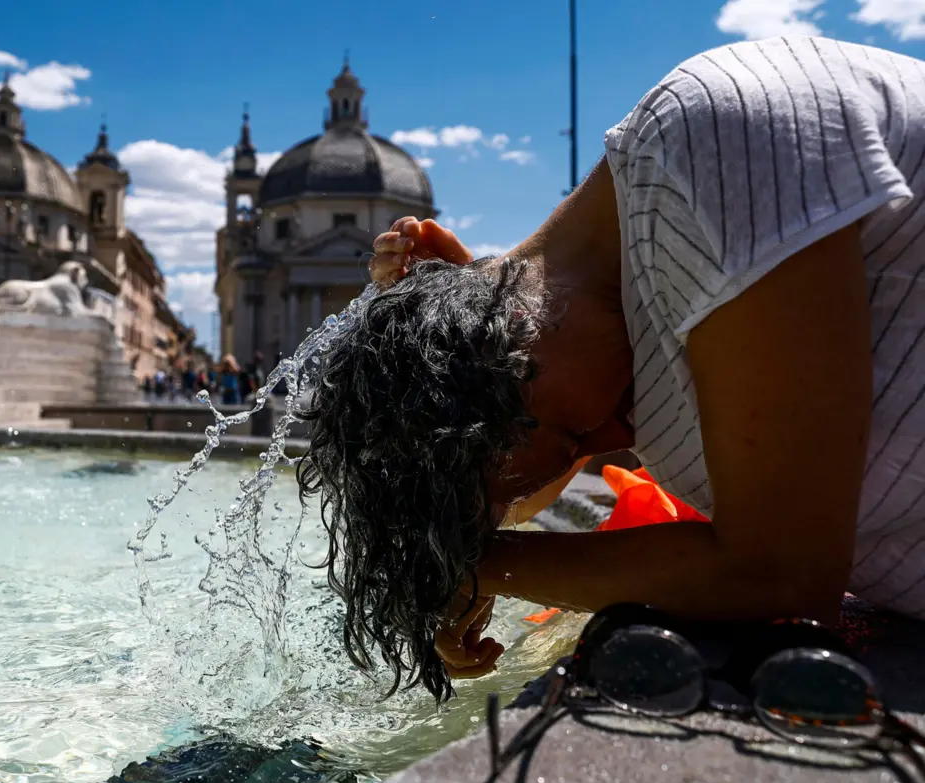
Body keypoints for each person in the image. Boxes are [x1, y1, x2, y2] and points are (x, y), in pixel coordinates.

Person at [296, 34, 925, 702]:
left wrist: (483, 569)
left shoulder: (713, 137)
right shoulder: (645, 317)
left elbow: (783, 578)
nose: (605, 443)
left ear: (505, 330)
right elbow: (521, 467)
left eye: (570, 435)